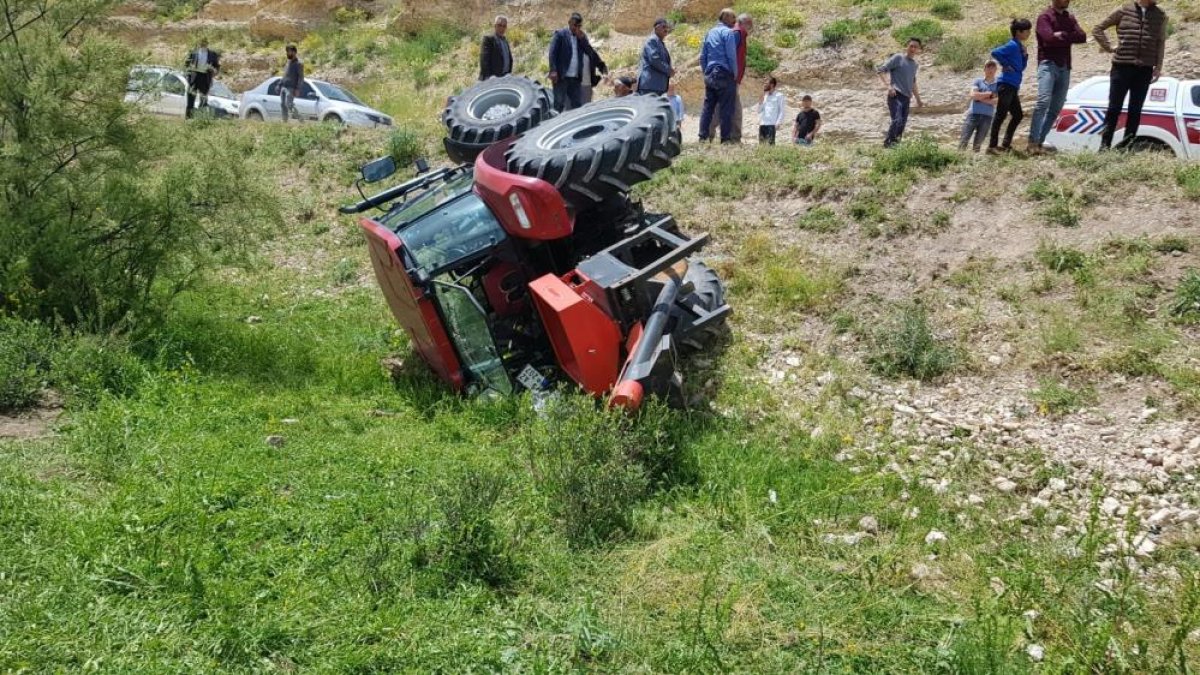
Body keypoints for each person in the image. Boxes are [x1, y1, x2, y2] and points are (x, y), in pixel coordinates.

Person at [1093, 0, 1168, 151]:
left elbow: (1160, 42)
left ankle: (1127, 148)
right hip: (1122, 66)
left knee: (1136, 109)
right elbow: (1098, 29)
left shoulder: (1160, 15)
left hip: (1144, 69)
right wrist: (1109, 47)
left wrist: (1158, 66)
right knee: (1114, 108)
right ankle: (1104, 147)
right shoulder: (1123, 9)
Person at [1027, 0, 1087, 154]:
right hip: (1048, 64)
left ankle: (1038, 143)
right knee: (1043, 102)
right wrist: (1066, 37)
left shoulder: (1069, 18)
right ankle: (1032, 142)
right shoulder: (1044, 17)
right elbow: (1049, 38)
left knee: (1056, 108)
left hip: (1065, 66)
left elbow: (1082, 36)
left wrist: (1062, 35)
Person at [705, 13, 753, 142]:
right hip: (729, 76)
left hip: (725, 75)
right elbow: (731, 55)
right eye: (750, 25)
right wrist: (734, 73)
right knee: (729, 109)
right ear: (745, 23)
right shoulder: (738, 33)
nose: (751, 28)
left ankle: (711, 135)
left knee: (723, 107)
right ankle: (729, 137)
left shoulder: (735, 32)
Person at [987, 19, 1032, 155]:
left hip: (1013, 85)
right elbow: (995, 52)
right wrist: (1005, 64)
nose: (1029, 33)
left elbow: (1021, 67)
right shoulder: (1012, 45)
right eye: (1027, 31)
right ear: (1018, 32)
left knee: (1017, 115)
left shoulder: (1019, 47)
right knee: (1001, 114)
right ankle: (992, 147)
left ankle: (1005, 145)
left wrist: (1025, 56)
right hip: (1006, 84)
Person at [548, 13, 606, 112]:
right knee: (559, 104)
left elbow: (589, 51)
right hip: (562, 76)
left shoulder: (581, 37)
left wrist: (600, 64)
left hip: (575, 78)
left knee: (577, 106)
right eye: (575, 25)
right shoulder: (561, 35)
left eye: (579, 26)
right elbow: (552, 53)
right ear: (569, 23)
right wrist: (553, 70)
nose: (576, 28)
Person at [698, 9, 740, 143]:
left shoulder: (709, 33)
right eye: (733, 18)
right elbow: (731, 56)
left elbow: (702, 56)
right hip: (724, 73)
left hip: (710, 73)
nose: (735, 22)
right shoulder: (728, 33)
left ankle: (703, 137)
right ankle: (725, 139)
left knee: (708, 107)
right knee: (726, 107)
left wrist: (706, 71)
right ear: (726, 18)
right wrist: (735, 73)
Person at [877, 37, 923, 148]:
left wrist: (918, 100)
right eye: (911, 46)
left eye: (915, 47)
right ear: (907, 46)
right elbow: (880, 70)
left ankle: (895, 148)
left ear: (918, 49)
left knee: (902, 125)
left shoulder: (914, 65)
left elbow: (913, 82)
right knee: (897, 120)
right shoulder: (898, 58)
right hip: (895, 95)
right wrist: (889, 87)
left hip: (906, 98)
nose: (912, 48)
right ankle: (887, 146)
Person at [959, 60, 999, 152]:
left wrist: (979, 97)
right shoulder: (978, 81)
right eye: (988, 66)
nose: (990, 69)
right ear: (984, 69)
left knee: (978, 144)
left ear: (996, 69)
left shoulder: (998, 85)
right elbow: (973, 95)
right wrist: (989, 94)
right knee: (964, 140)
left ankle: (974, 163)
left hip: (987, 117)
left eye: (993, 67)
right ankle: (957, 161)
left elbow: (997, 101)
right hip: (973, 115)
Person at [184, 38, 220, 118]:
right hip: (194, 77)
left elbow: (217, 66)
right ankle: (188, 119)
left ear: (207, 43)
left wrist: (214, 71)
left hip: (205, 78)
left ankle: (200, 120)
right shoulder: (193, 52)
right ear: (199, 42)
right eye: (201, 42)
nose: (203, 44)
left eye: (205, 42)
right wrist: (187, 75)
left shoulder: (212, 54)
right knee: (190, 100)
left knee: (203, 101)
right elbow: (186, 64)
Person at [638, 18, 675, 96]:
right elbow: (654, 59)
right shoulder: (652, 40)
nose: (666, 29)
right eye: (663, 27)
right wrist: (669, 70)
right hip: (651, 86)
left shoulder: (660, 42)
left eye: (667, 27)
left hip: (658, 86)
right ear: (656, 28)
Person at [479, 15, 513, 80]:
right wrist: (489, 77)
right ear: (495, 26)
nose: (502, 28)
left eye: (504, 26)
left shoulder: (505, 41)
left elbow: (508, 59)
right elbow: (484, 61)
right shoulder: (489, 39)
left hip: (504, 78)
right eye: (499, 25)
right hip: (491, 80)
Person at [757, 76, 785, 145]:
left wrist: (777, 123)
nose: (764, 85)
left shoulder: (779, 95)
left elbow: (782, 111)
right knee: (761, 146)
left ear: (772, 84)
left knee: (770, 146)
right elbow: (759, 111)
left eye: (766, 83)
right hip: (762, 124)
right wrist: (760, 102)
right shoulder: (765, 96)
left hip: (771, 125)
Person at [280, 44, 304, 123]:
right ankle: (285, 122)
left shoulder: (299, 64)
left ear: (294, 52)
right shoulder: (288, 62)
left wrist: (298, 89)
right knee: (283, 105)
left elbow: (301, 77)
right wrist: (279, 84)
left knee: (289, 104)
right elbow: (284, 75)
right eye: (287, 52)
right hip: (283, 87)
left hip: (291, 88)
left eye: (289, 52)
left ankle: (301, 120)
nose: (287, 53)